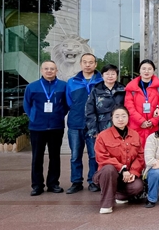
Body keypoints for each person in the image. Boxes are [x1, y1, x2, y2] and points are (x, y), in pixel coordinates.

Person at [24, 61, 69, 196]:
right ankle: (37, 185)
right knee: (37, 157)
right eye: (46, 68)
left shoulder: (63, 86)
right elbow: (27, 105)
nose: (49, 71)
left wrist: (59, 115)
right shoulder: (32, 87)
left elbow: (67, 104)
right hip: (37, 127)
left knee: (55, 156)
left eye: (52, 69)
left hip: (56, 126)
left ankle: (53, 184)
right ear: (41, 70)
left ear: (56, 70)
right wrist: (34, 117)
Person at [92, 106, 144, 214]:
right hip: (107, 174)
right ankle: (106, 204)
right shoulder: (103, 136)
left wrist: (133, 172)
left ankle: (119, 195)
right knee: (109, 169)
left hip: (126, 176)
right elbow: (102, 158)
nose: (120, 119)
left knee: (137, 186)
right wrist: (122, 169)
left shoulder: (135, 135)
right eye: (117, 116)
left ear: (128, 117)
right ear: (112, 118)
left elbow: (140, 156)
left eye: (124, 116)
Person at [65, 53, 103, 194]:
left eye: (91, 62)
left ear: (95, 64)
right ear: (81, 64)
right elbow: (69, 102)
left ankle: (93, 181)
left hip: (94, 125)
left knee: (94, 155)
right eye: (85, 62)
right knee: (75, 155)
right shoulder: (72, 82)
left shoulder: (101, 81)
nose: (88, 65)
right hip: (75, 124)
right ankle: (76, 182)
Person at [124, 59, 159, 147]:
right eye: (143, 69)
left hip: (154, 127)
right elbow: (129, 107)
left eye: (149, 69)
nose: (146, 71)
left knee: (153, 150)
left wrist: (153, 121)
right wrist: (141, 121)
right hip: (136, 126)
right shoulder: (131, 88)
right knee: (136, 150)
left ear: (153, 71)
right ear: (139, 70)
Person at [85, 64, 126, 140]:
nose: (110, 76)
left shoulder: (123, 89)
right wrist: (93, 130)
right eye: (107, 74)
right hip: (102, 126)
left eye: (113, 74)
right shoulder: (96, 89)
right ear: (102, 76)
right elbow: (89, 111)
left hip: (120, 125)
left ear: (117, 76)